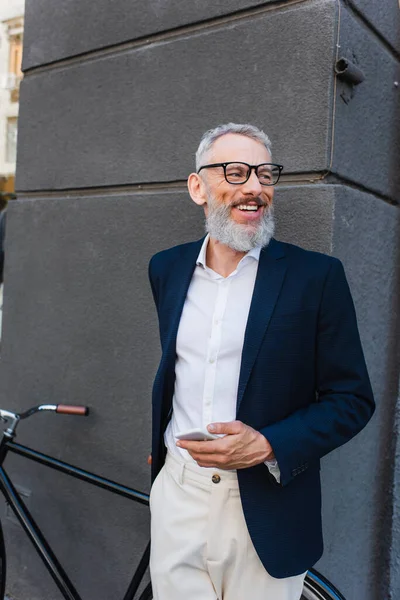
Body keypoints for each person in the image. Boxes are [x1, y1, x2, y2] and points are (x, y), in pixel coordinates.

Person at [147, 123, 375, 600]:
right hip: (177, 496)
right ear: (198, 187)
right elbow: (178, 372)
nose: (254, 187)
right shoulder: (166, 268)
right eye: (235, 172)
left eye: (265, 174)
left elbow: (352, 400)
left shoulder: (317, 277)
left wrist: (269, 444)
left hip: (265, 506)